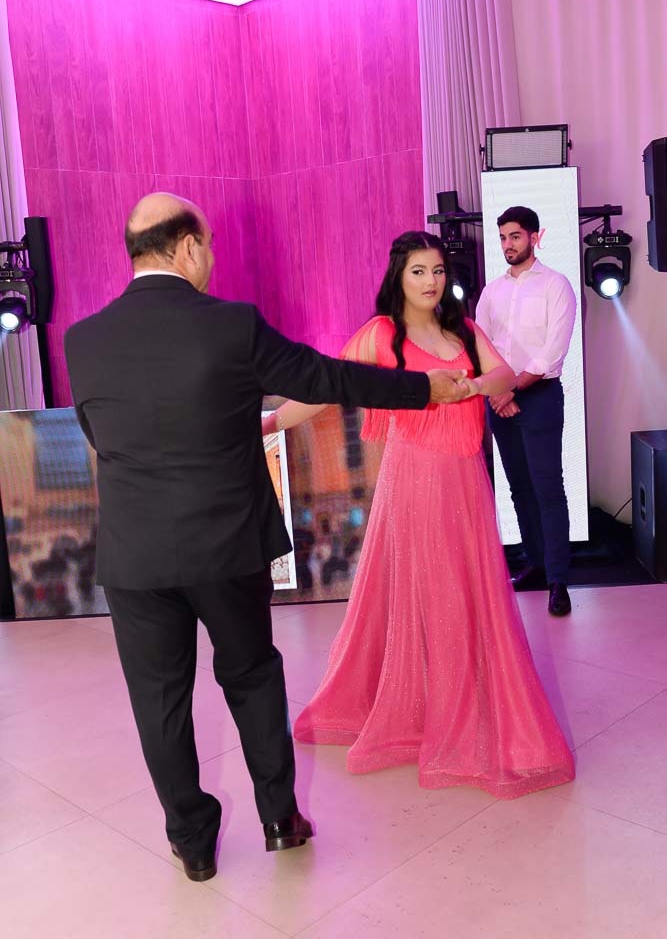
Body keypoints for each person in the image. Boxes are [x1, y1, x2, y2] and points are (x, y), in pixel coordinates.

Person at [63, 194, 476, 883]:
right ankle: (281, 819)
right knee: (252, 676)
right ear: (187, 247)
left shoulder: (84, 339)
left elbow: (98, 437)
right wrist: (423, 390)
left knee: (158, 700)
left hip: (134, 554)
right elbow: (326, 377)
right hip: (228, 544)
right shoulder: (231, 325)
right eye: (209, 244)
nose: (212, 256)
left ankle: (193, 845)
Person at [265, 231, 575, 797]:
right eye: (418, 272)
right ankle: (425, 710)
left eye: (437, 271)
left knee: (467, 592)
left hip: (465, 480)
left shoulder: (462, 329)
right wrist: (270, 422)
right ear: (398, 278)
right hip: (414, 480)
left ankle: (463, 705)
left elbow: (504, 375)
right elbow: (326, 386)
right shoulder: (383, 334)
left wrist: (470, 387)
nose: (431, 281)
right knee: (429, 592)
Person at [475, 206, 577, 618]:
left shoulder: (556, 285)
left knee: (548, 487)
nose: (508, 245)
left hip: (540, 397)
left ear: (535, 237)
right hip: (500, 398)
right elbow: (479, 345)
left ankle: (558, 581)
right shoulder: (491, 292)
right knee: (518, 487)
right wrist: (499, 390)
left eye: (515, 236)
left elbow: (553, 352)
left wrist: (512, 388)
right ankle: (535, 564)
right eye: (503, 237)